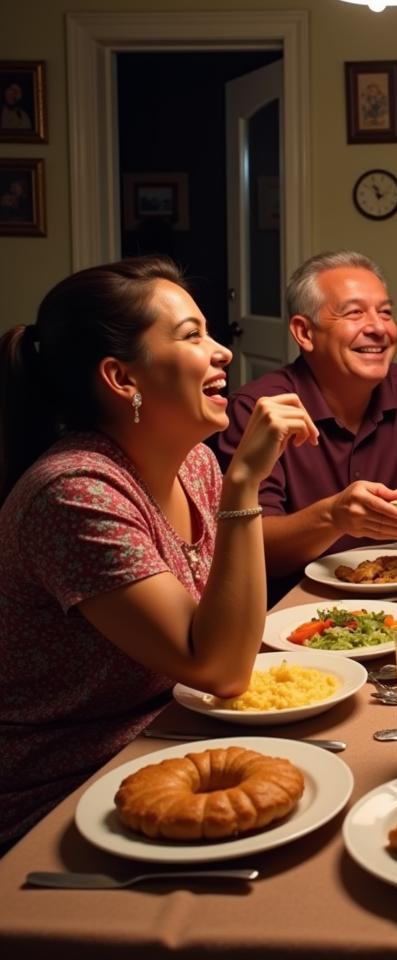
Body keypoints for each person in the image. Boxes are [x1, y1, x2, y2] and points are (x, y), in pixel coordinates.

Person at [0, 257, 318, 850]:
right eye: (192, 335)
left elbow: (228, 637)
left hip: (175, 740)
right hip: (64, 793)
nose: (222, 351)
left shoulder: (194, 462)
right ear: (122, 378)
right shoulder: (74, 495)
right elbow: (221, 668)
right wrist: (246, 483)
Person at [218, 250, 397, 591]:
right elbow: (252, 546)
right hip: (294, 604)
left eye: (386, 313)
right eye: (354, 313)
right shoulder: (259, 410)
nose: (378, 328)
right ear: (304, 333)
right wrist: (334, 516)